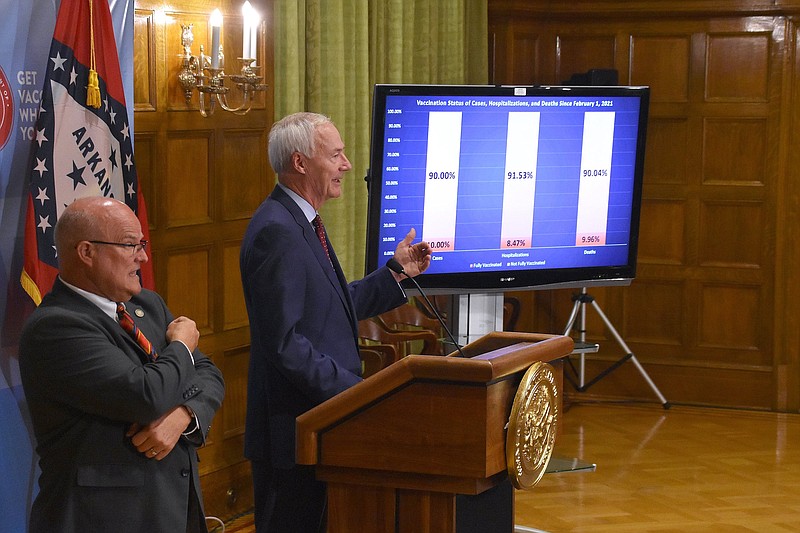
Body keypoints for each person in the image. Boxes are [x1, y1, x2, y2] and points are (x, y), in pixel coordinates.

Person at [240, 112, 432, 532]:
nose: (346, 165)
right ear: (301, 163)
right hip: (294, 431)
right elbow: (284, 343)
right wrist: (355, 395)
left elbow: (331, 304)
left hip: (316, 424)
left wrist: (395, 273)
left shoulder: (300, 223)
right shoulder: (279, 232)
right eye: (337, 154)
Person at [19, 196, 225, 533]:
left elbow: (208, 374)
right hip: (104, 519)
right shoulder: (55, 327)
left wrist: (183, 416)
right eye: (130, 245)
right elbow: (145, 394)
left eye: (142, 244)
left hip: (171, 507)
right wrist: (183, 344)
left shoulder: (147, 304)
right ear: (86, 252)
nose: (143, 256)